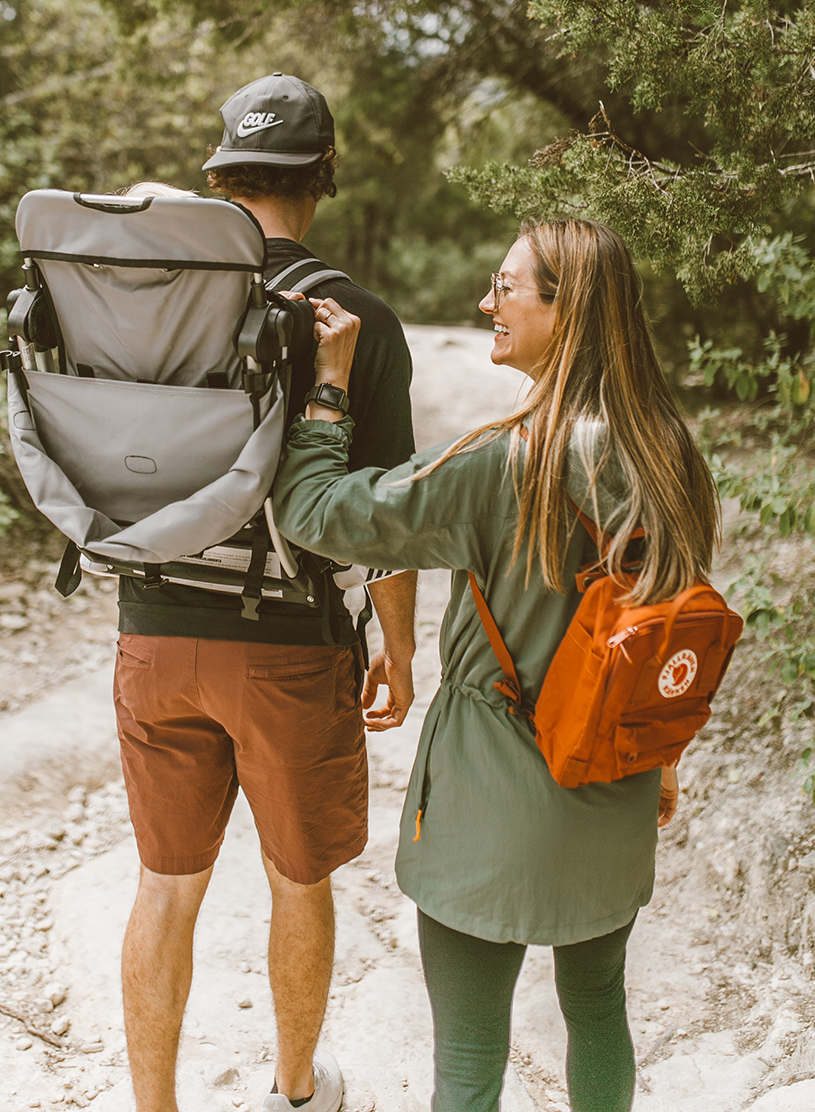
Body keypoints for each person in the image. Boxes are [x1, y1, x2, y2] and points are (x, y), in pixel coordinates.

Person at [271, 217, 720, 1112]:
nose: (486, 302)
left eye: (506, 287)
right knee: (597, 1009)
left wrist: (329, 391)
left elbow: (314, 512)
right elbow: (666, 623)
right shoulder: (672, 451)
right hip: (617, 768)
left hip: (491, 787)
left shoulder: (506, 459)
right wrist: (663, 756)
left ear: (569, 309)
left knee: (470, 1052)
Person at [113, 73, 419, 1112]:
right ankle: (297, 1089)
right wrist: (400, 649)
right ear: (324, 176)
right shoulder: (357, 316)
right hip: (289, 639)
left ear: (216, 175)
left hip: (151, 627)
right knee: (300, 879)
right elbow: (382, 515)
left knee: (165, 885)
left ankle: (153, 1104)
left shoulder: (148, 297)